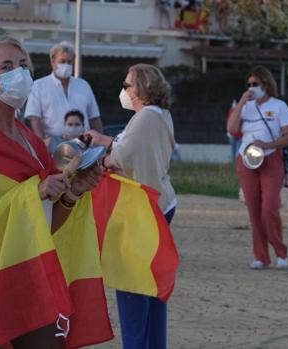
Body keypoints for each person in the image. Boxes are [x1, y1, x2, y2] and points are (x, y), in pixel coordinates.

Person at [0, 35, 103, 349]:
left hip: (32, 274)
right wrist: (37, 191)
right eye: (6, 66)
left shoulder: (31, 141)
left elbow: (43, 225)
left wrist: (72, 194)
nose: (19, 73)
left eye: (23, 65)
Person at [85, 63, 177, 349]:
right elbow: (135, 148)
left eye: (127, 85)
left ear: (142, 88)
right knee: (151, 286)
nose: (123, 91)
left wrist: (101, 154)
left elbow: (124, 157)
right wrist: (107, 140)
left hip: (141, 206)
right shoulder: (158, 115)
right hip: (159, 201)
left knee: (132, 286)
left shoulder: (145, 118)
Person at [227, 65, 288, 270]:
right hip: (246, 159)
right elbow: (231, 129)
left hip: (270, 158)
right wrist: (241, 102)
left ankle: (280, 251)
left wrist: (267, 145)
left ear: (265, 84)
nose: (251, 88)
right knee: (254, 210)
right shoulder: (245, 106)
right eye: (248, 84)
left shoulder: (279, 106)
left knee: (269, 209)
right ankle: (261, 256)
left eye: (255, 84)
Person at [25, 41, 102, 148]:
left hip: (84, 142)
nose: (66, 65)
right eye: (62, 61)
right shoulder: (39, 85)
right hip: (53, 144)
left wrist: (100, 143)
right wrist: (42, 143)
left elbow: (94, 117)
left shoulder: (83, 85)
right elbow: (34, 118)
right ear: (53, 61)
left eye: (69, 62)